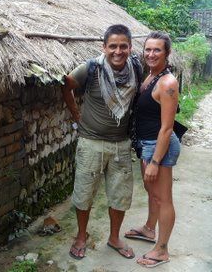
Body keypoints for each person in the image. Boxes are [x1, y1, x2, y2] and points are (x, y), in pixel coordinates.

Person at [62, 24, 142, 260]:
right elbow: (66, 86)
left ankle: (114, 237)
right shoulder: (90, 68)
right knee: (84, 192)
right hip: (91, 143)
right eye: (113, 46)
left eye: (123, 46)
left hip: (121, 144)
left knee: (120, 195)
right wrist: (76, 115)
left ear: (130, 47)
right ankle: (81, 236)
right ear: (104, 47)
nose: (118, 51)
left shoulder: (136, 68)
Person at [124, 31, 180, 268]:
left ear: (167, 53)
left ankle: (162, 250)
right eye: (148, 49)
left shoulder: (167, 83)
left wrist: (156, 161)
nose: (151, 54)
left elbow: (167, 128)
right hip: (146, 145)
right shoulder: (150, 77)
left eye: (157, 50)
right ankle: (149, 229)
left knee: (164, 198)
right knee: (152, 191)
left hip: (159, 147)